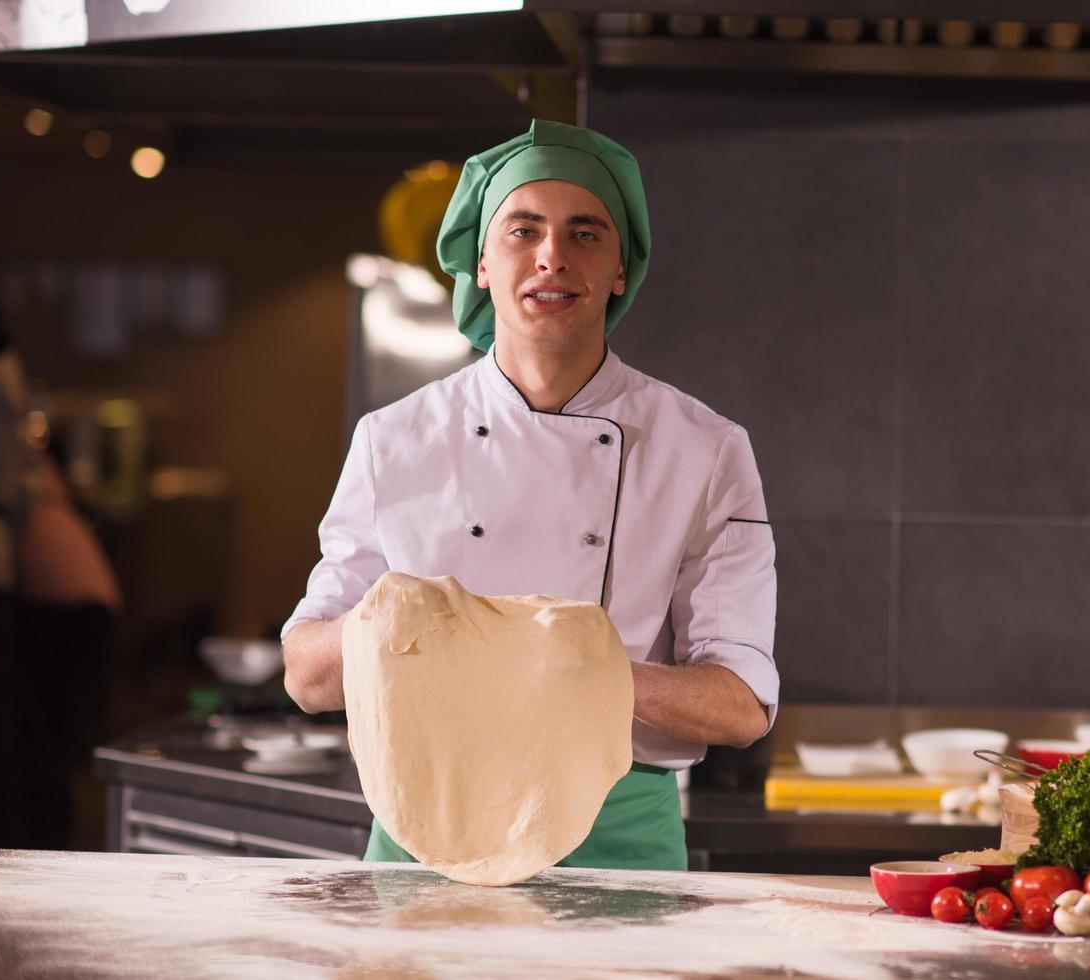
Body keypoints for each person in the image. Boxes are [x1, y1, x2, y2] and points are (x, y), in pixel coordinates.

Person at [282, 120, 777, 871]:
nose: (552, 255)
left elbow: (740, 706)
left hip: (616, 839)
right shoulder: (395, 439)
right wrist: (387, 628)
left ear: (620, 269)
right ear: (481, 262)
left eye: (585, 233)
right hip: (425, 829)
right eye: (523, 230)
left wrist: (581, 663)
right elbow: (307, 677)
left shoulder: (702, 449)